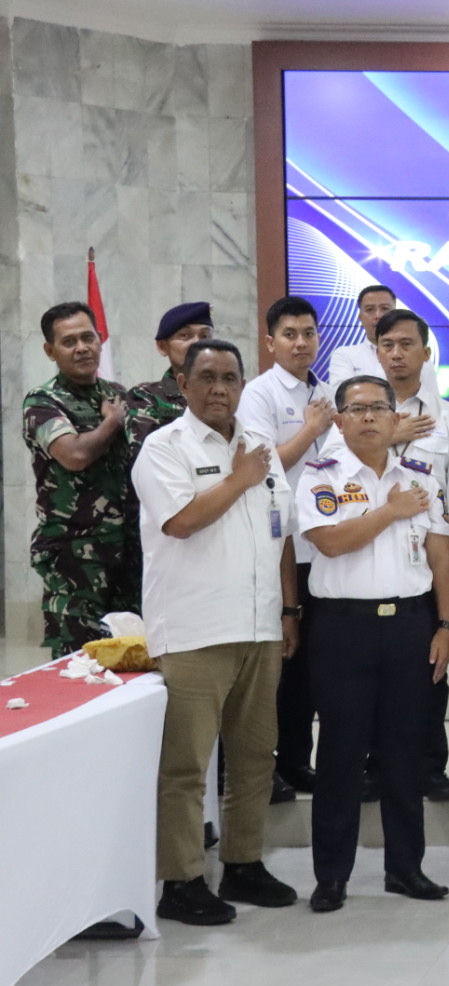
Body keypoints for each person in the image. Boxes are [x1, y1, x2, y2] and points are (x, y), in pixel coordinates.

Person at [132, 338, 301, 924]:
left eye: (230, 377)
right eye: (206, 377)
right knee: (185, 766)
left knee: (254, 758)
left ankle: (243, 863)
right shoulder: (164, 447)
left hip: (259, 625)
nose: (219, 389)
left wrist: (288, 610)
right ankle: (180, 881)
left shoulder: (259, 447)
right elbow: (180, 522)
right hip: (194, 631)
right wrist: (239, 480)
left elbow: (281, 531)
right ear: (183, 383)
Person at [297, 374, 449, 913]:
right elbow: (330, 542)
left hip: (410, 626)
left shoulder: (421, 479)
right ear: (339, 420)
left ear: (396, 418)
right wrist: (390, 511)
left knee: (405, 753)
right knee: (340, 754)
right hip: (343, 630)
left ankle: (405, 868)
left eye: (378, 408)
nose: (368, 417)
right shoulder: (321, 475)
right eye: (356, 409)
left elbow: (441, 557)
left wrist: (446, 625)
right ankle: (331, 875)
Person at [378, 308, 449, 802]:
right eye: (388, 345)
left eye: (406, 344)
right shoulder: (356, 413)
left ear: (426, 352)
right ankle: (375, 766)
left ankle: (431, 766)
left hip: (430, 562)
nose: (397, 354)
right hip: (369, 559)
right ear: (377, 352)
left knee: (430, 668)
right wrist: (387, 437)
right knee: (374, 673)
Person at [238, 296, 334, 794]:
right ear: (270, 341)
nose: (301, 343)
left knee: (311, 668)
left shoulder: (329, 392)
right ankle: (266, 765)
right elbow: (260, 466)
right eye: (290, 334)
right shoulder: (259, 394)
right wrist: (312, 429)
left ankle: (298, 759)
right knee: (280, 659)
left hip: (327, 547)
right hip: (281, 547)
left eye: (309, 333)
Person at [23, 301, 138, 657]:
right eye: (69, 341)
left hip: (127, 553)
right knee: (78, 662)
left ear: (100, 339)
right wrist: (111, 423)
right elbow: (74, 455)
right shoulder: (43, 402)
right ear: (50, 351)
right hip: (74, 560)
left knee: (131, 657)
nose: (82, 348)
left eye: (88, 337)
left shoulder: (117, 394)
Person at [127, 301, 212, 452]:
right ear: (163, 347)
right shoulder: (145, 396)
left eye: (205, 336)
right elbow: (147, 454)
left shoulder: (224, 394)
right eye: (185, 336)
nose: (197, 343)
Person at [325, 284, 396, 384]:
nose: (378, 315)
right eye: (370, 309)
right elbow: (342, 391)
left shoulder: (414, 353)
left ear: (396, 315)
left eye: (385, 308)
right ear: (360, 317)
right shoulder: (344, 355)